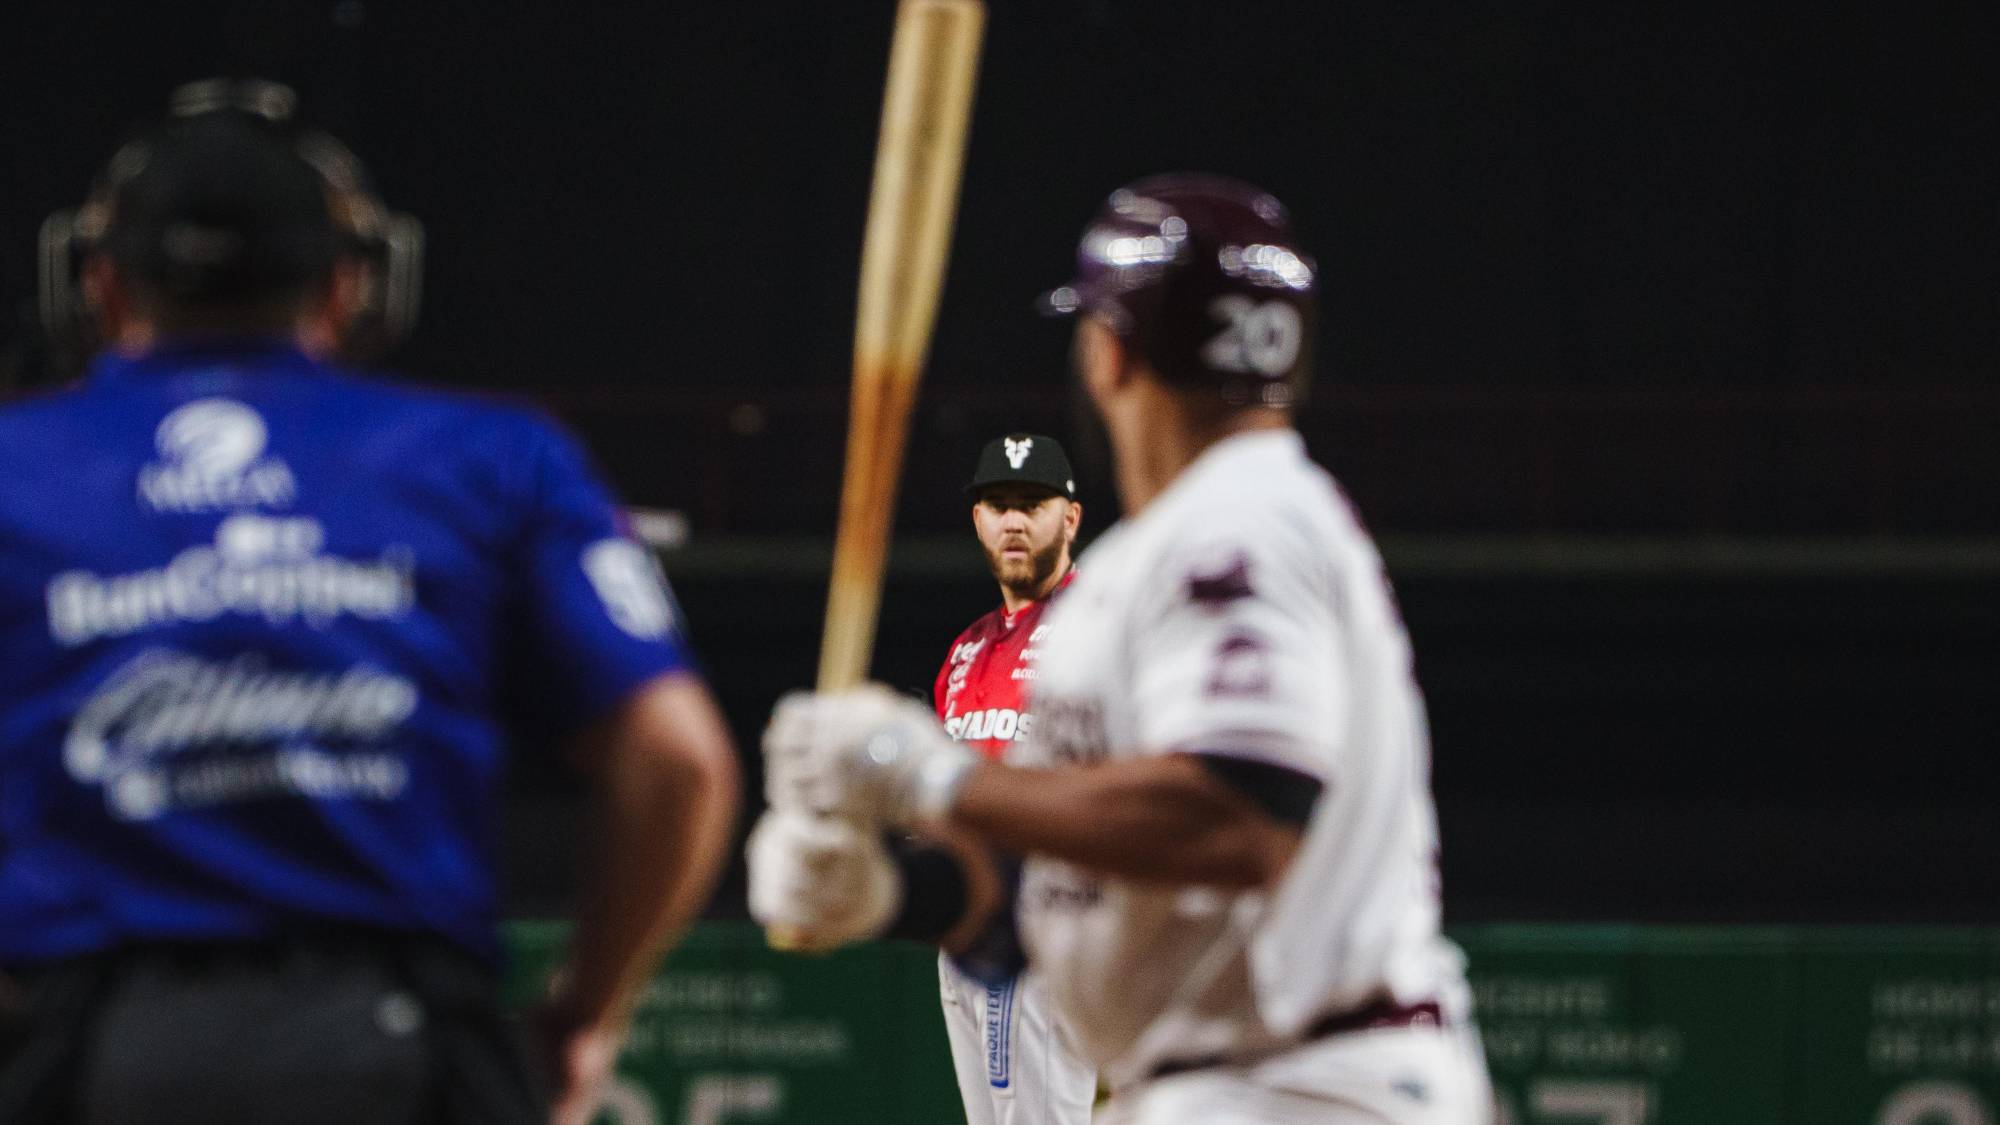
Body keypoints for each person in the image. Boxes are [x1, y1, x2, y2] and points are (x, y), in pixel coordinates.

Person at [0, 80, 739, 1125]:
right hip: (396, 1038)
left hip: (93, 1042)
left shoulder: (16, 465)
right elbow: (675, 762)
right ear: (347, 287)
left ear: (104, 287)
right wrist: (585, 1012)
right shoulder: (489, 456)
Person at [749, 174, 1491, 1123]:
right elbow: (1067, 886)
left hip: (1301, 1081)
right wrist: (894, 896)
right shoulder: (1161, 556)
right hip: (1234, 1079)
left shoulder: (1241, 521)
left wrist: (935, 780)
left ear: (1107, 353)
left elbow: (1238, 815)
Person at [930, 433, 1096, 1124]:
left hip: (1050, 921)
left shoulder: (1099, 626)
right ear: (977, 520)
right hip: (967, 926)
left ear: (1071, 517)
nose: (1015, 521)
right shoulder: (967, 647)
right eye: (999, 503)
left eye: (1033, 503)